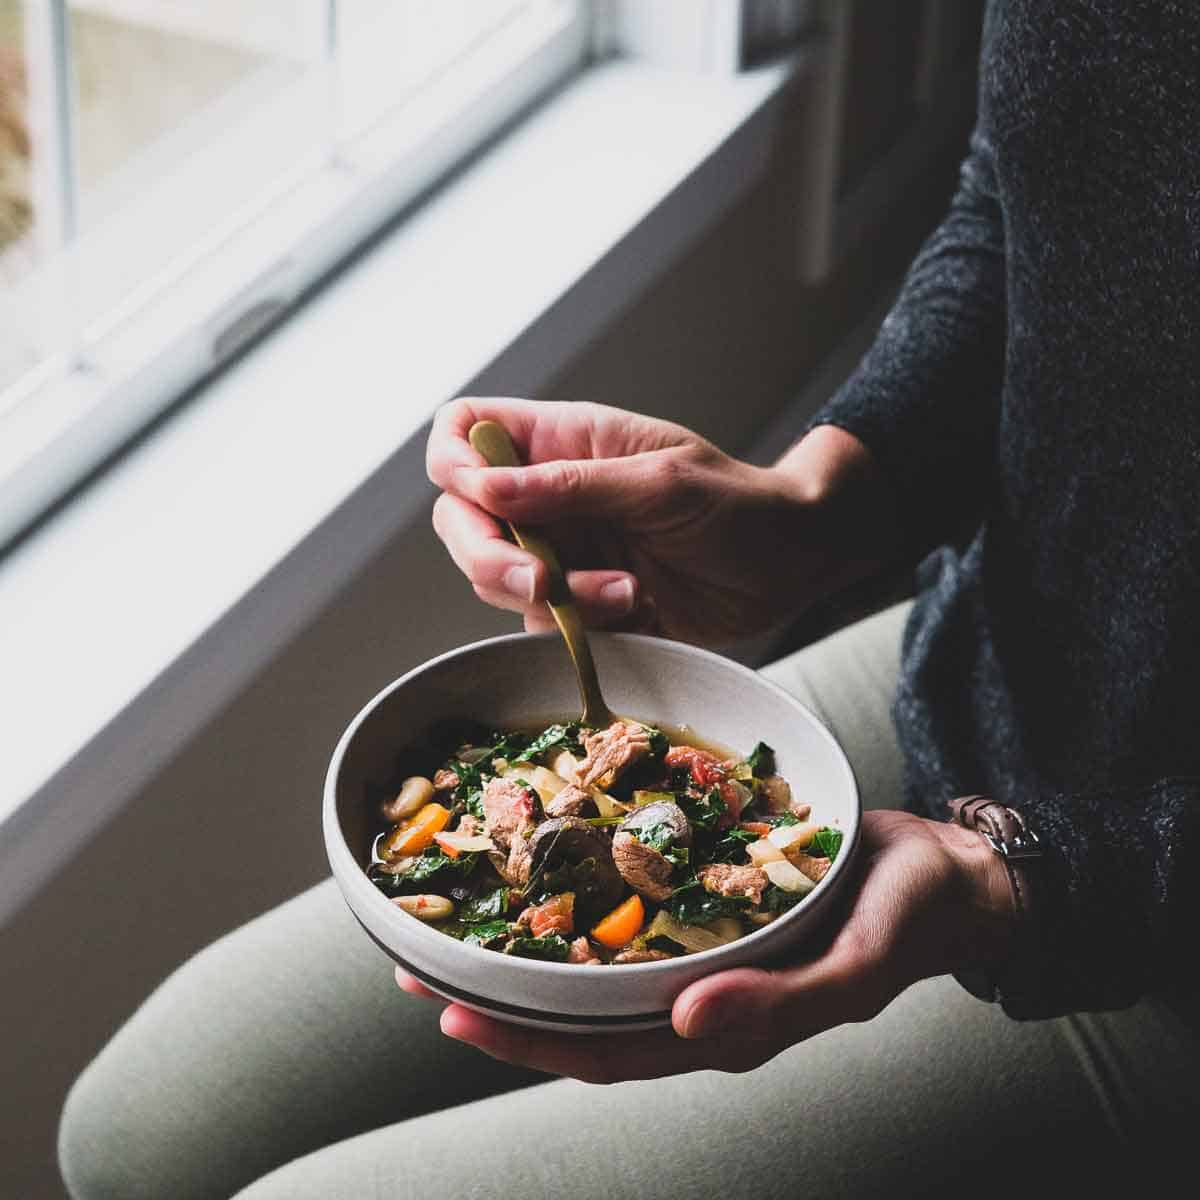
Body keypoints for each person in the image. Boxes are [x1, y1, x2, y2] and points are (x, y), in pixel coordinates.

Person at [57, 2, 1199, 1197]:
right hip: (993, 662)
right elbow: (1034, 206)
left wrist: (1032, 882)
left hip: (1158, 944)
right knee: (139, 1127)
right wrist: (822, 504)